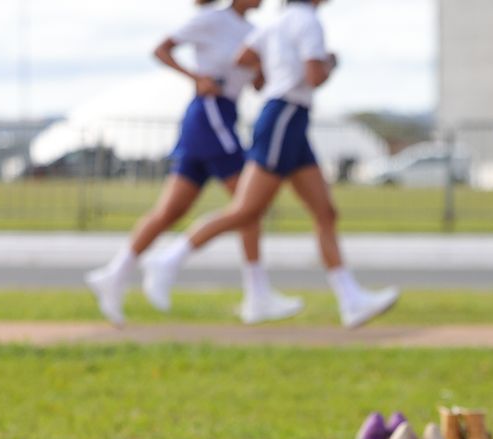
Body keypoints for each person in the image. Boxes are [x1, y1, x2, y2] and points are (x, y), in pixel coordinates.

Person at [140, 0, 399, 329]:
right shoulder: (308, 21)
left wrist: (275, 66)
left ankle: (351, 300)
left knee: (325, 212)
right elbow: (314, 77)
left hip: (289, 118)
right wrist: (329, 62)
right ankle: (169, 258)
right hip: (285, 116)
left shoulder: (277, 22)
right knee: (246, 211)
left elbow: (243, 58)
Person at [86, 0, 303, 327]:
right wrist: (196, 77)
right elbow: (162, 49)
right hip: (210, 113)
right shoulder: (211, 20)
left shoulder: (254, 31)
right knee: (248, 206)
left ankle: (114, 273)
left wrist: (265, 66)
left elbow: (257, 84)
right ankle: (253, 292)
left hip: (221, 115)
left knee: (171, 211)